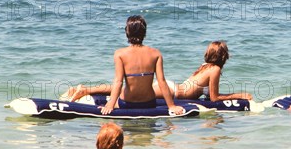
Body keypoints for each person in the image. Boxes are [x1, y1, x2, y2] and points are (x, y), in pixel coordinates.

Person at [63, 15, 184, 115]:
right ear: (144, 33)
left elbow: (118, 82)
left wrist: (110, 105)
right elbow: (162, 82)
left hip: (127, 103)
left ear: (127, 32)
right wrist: (171, 106)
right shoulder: (156, 54)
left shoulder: (120, 54)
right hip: (149, 102)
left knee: (111, 97)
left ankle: (86, 93)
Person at [65, 41, 252, 103]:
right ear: (223, 57)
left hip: (171, 88)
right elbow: (213, 98)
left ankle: (86, 89)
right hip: (171, 92)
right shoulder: (216, 69)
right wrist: (239, 95)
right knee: (125, 91)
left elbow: (201, 92)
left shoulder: (205, 67)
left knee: (127, 89)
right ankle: (85, 90)